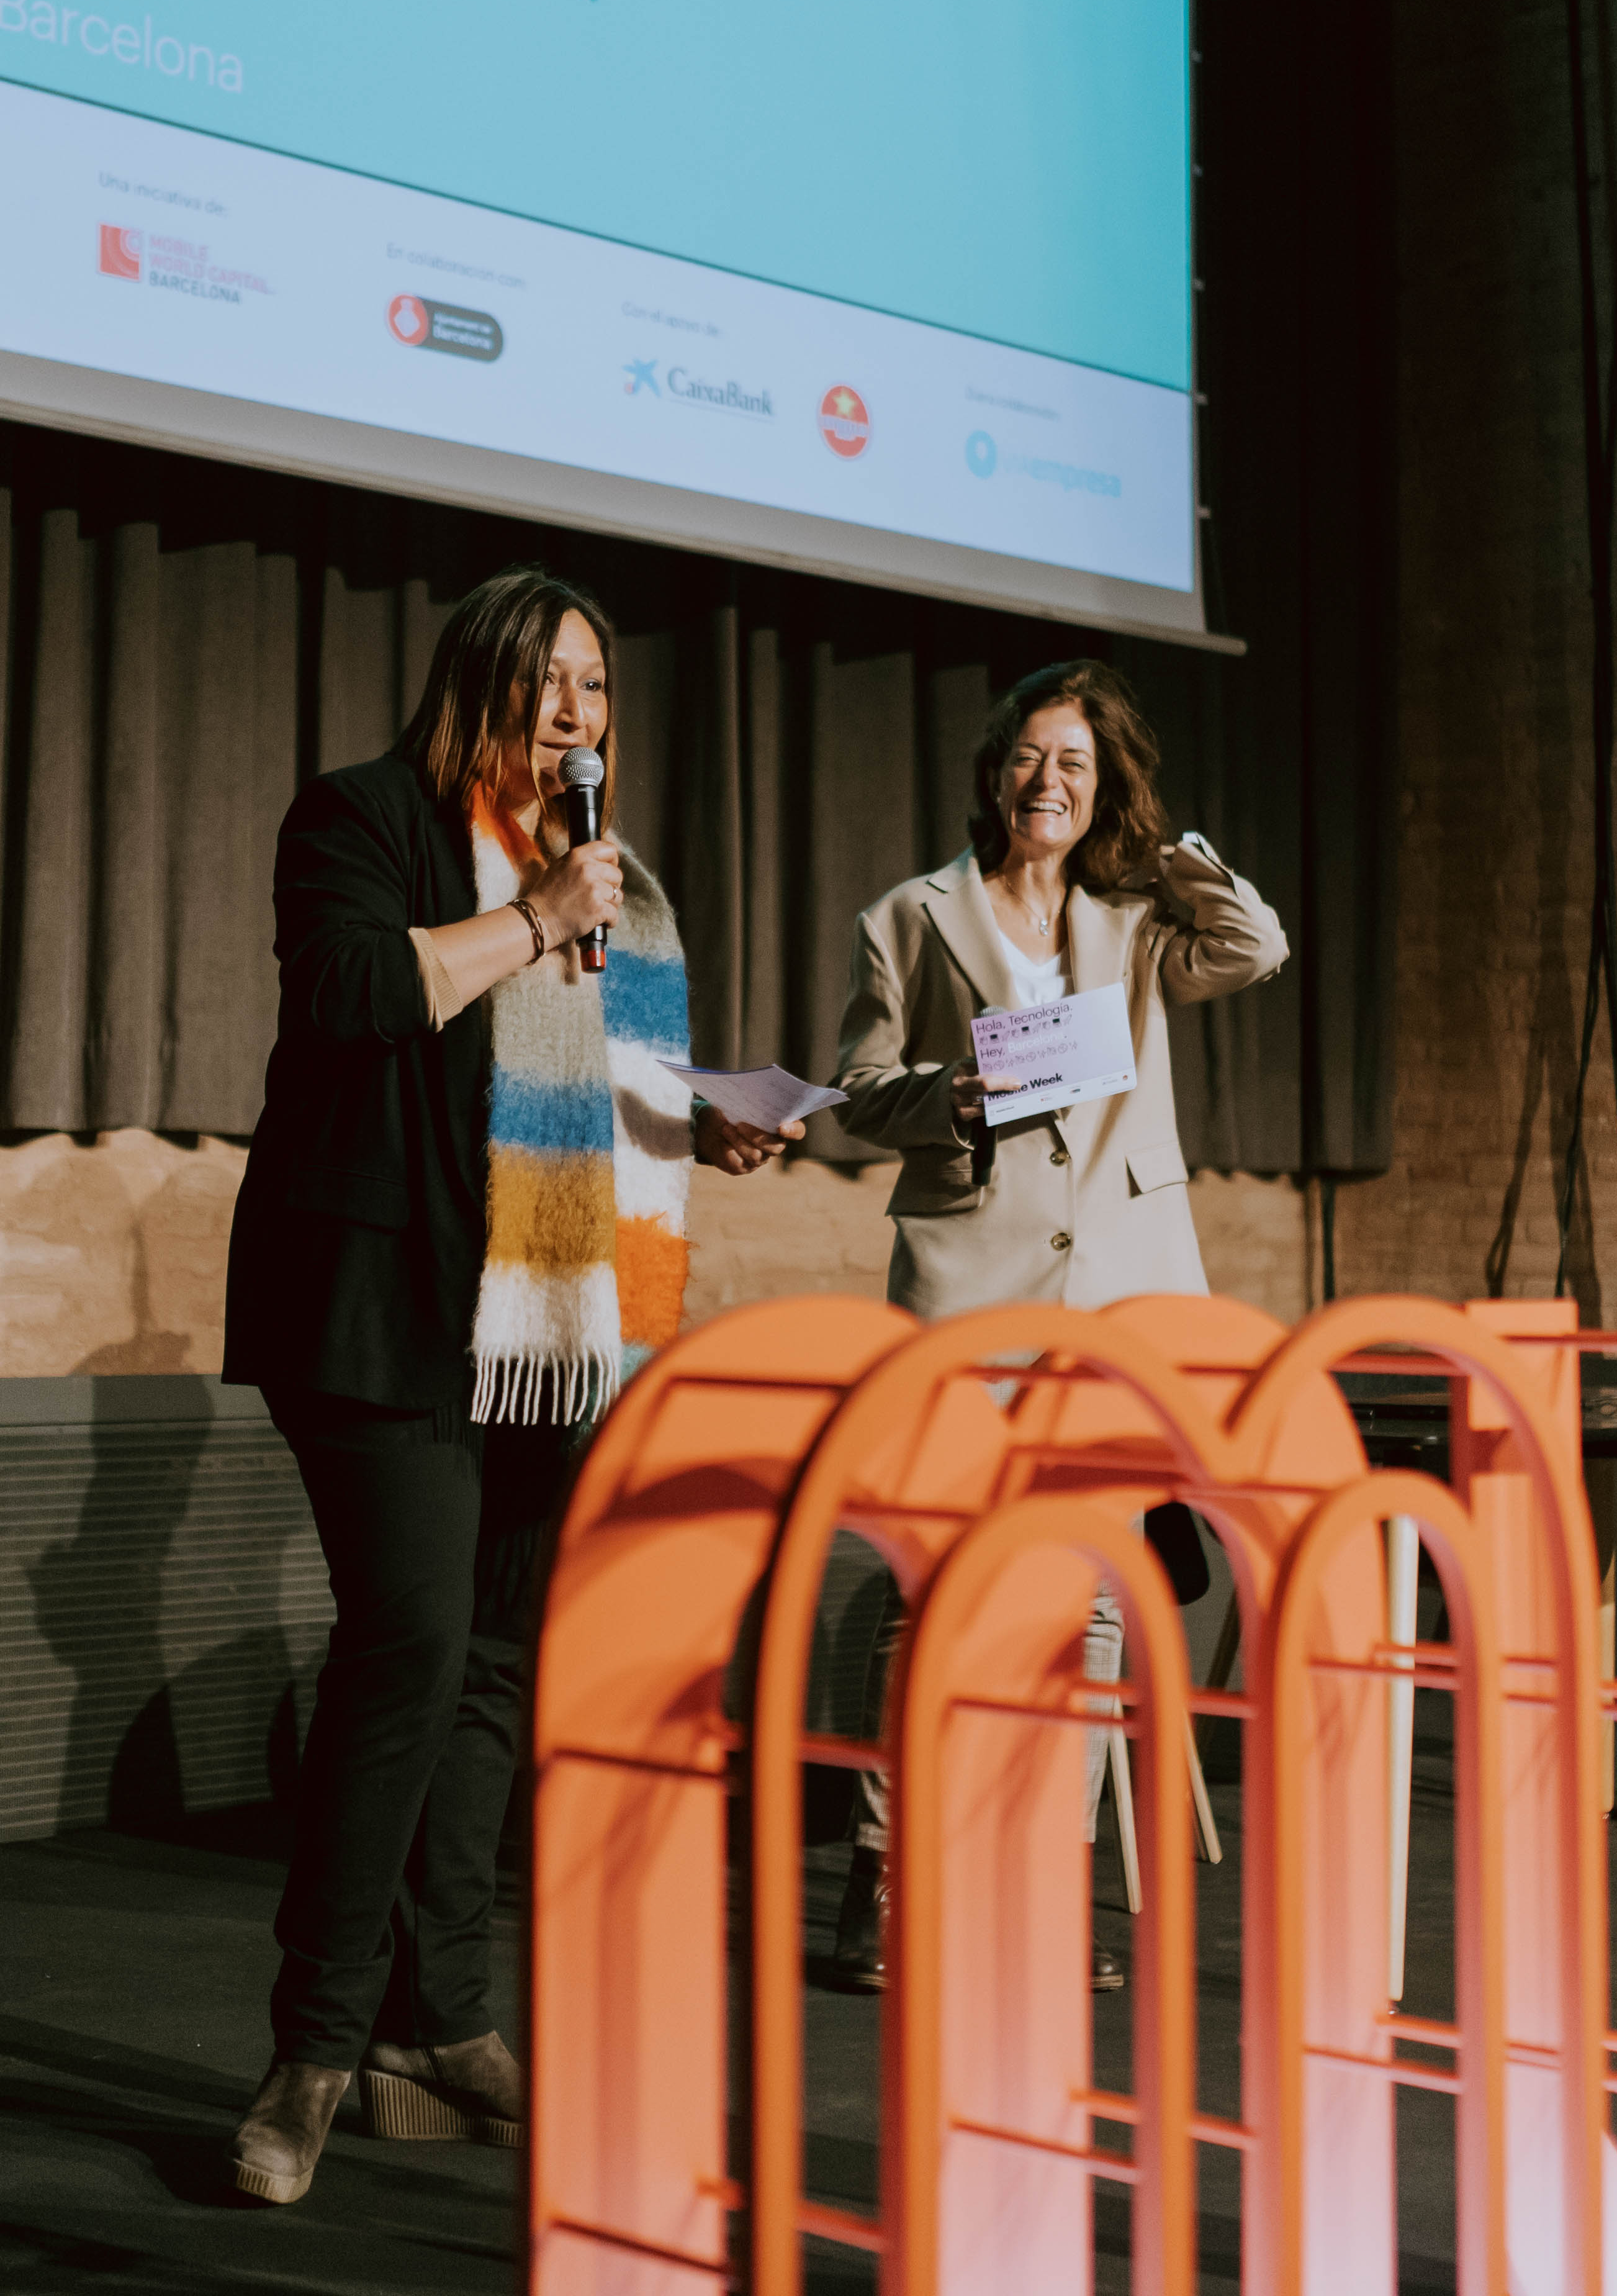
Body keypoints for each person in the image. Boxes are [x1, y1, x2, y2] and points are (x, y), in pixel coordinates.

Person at [217, 567, 797, 2205]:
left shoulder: (622, 892)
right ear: (478, 679)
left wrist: (704, 1113)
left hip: (549, 1324)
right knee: (406, 1644)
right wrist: (537, 920)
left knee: (487, 1660)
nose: (575, 711)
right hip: (376, 1304)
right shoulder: (362, 818)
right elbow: (347, 999)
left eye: (598, 689)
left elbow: (592, 1093)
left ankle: (440, 2019)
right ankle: (313, 2050)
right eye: (548, 679)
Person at [816, 656, 1287, 1989]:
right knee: (936, 1587)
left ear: (1104, 787)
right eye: (1032, 756)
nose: (1049, 782)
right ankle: (885, 1875)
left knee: (1086, 1597)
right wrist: (954, 1093)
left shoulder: (1133, 924)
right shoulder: (910, 916)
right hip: (971, 1284)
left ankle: (1035, 1878)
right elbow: (858, 1091)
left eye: (1076, 764)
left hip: (1121, 1296)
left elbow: (1257, 945)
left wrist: (1171, 850)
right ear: (994, 769)